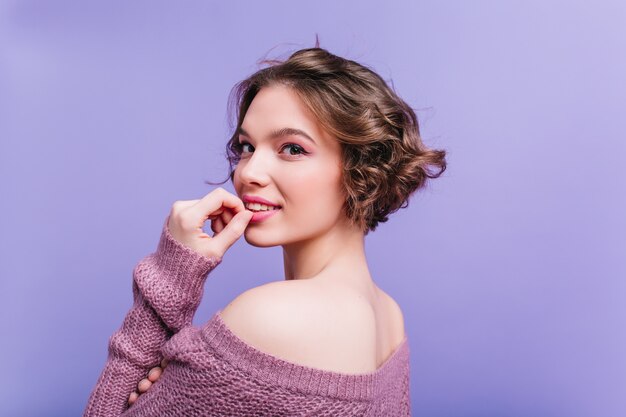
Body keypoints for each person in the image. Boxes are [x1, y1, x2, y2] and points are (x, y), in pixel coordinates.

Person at [83, 44, 446, 416]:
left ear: (362, 169)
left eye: (291, 149)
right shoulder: (389, 317)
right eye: (246, 146)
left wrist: (172, 273)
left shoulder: (271, 317)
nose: (248, 172)